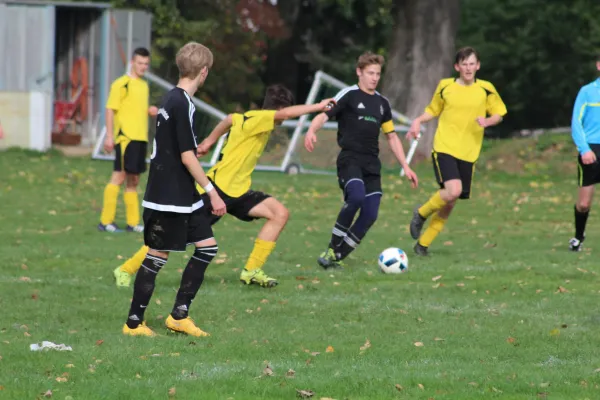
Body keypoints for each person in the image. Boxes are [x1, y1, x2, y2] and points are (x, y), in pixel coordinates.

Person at [112, 85, 335, 288]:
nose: (284, 119)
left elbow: (230, 118)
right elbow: (283, 114)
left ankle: (251, 271)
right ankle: (125, 269)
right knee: (169, 237)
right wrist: (318, 106)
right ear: (277, 109)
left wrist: (209, 141)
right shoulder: (260, 118)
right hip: (215, 190)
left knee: (279, 213)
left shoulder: (248, 118)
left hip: (238, 192)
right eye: (283, 112)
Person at [122, 42, 226, 337]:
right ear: (203, 72)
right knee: (158, 254)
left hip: (182, 194)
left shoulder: (171, 98)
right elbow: (186, 156)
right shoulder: (181, 103)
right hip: (169, 198)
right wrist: (212, 191)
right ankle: (133, 323)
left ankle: (179, 315)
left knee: (207, 247)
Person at [304, 51, 418, 269]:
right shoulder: (349, 94)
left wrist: (406, 166)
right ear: (359, 72)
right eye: (370, 73)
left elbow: (391, 136)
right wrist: (311, 130)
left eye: (377, 73)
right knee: (356, 197)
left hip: (371, 164)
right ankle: (331, 247)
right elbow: (323, 114)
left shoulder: (382, 104)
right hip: (350, 159)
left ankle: (337, 256)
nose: (374, 78)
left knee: (370, 214)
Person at [407, 47, 507, 256]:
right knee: (453, 191)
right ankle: (421, 213)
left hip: (469, 152)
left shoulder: (486, 89)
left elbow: (499, 114)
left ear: (477, 66)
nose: (468, 68)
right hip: (445, 147)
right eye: (464, 64)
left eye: (472, 64)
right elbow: (433, 109)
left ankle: (423, 245)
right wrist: (417, 121)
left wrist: (487, 121)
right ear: (457, 67)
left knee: (450, 202)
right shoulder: (446, 86)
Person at [98, 47, 158, 233]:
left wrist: (149, 111)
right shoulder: (121, 84)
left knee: (134, 180)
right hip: (126, 138)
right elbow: (110, 109)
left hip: (141, 139)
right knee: (119, 176)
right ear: (132, 63)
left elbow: (136, 108)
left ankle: (132, 223)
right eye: (140, 63)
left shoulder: (144, 85)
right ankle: (106, 221)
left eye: (146, 64)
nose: (143, 67)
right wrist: (109, 136)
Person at [569, 56, 600, 251]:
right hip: (592, 149)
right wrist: (584, 149)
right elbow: (576, 123)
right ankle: (578, 237)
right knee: (583, 204)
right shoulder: (587, 92)